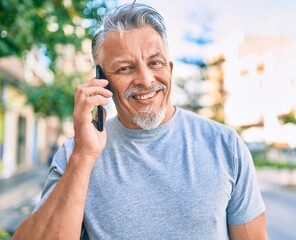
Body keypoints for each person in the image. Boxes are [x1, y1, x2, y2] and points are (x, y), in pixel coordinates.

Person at [13, 2, 267, 239]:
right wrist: (83, 157)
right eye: (125, 68)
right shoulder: (76, 154)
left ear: (170, 69)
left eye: (155, 63)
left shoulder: (225, 145)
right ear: (102, 80)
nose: (146, 80)